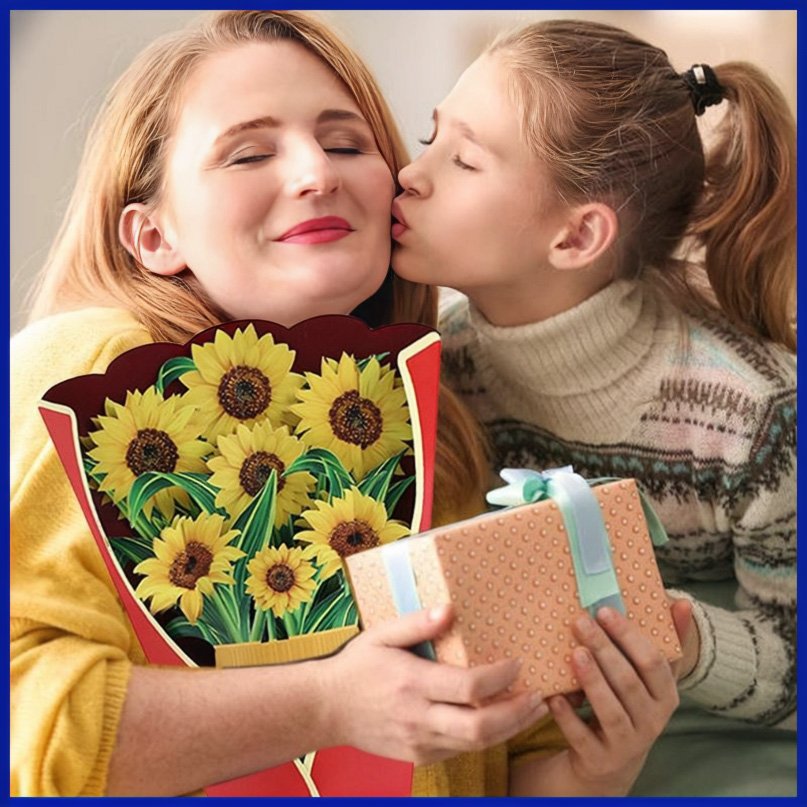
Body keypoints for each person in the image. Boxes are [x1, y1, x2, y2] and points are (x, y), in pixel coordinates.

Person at [10, 11, 687, 798]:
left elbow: (485, 767)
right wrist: (327, 702)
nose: (316, 174)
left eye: (345, 143)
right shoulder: (88, 370)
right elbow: (23, 724)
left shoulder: (435, 423)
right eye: (249, 152)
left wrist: (595, 765)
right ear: (153, 235)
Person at [392, 16, 796, 745]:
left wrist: (669, 629)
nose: (409, 175)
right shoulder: (436, 371)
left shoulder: (757, 413)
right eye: (431, 138)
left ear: (576, 237)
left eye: (465, 161)